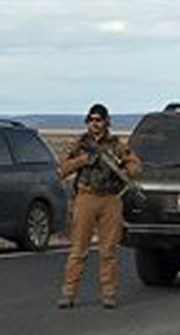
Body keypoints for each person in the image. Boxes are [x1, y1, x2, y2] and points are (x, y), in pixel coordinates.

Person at [56, 103, 142, 309]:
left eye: (99, 120)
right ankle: (68, 293)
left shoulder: (116, 145)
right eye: (91, 120)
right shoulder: (80, 145)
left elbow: (136, 166)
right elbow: (62, 170)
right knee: (78, 250)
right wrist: (83, 160)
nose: (95, 124)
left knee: (108, 250)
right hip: (86, 197)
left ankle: (109, 293)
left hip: (110, 199)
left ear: (106, 122)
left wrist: (123, 168)